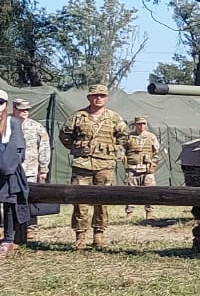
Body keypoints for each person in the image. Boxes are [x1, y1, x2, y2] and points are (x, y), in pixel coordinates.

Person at [59, 84, 129, 250]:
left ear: (106, 98)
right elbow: (64, 135)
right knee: (80, 200)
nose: (98, 98)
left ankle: (99, 233)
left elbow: (124, 136)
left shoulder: (114, 118)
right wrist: (78, 148)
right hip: (82, 164)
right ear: (89, 97)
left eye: (102, 96)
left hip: (105, 165)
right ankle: (80, 235)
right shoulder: (78, 117)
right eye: (95, 95)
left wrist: (115, 151)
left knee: (102, 201)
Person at [14, 98, 50, 248]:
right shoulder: (6, 125)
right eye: (21, 109)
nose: (25, 112)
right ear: (14, 109)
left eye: (27, 109)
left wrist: (44, 169)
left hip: (30, 170)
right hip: (9, 170)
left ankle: (31, 227)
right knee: (7, 199)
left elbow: (44, 147)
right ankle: (6, 226)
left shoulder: (36, 127)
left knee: (30, 199)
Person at [0, 93, 29, 258]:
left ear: (6, 104)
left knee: (10, 204)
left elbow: (18, 150)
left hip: (8, 171)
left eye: (1, 102)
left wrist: (6, 165)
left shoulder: (12, 123)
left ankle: (8, 239)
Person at [123, 116, 163, 222]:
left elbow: (156, 152)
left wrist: (153, 164)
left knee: (150, 191)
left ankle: (149, 213)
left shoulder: (151, 137)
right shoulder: (129, 137)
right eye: (139, 124)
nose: (142, 126)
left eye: (144, 124)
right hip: (132, 168)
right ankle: (129, 213)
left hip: (147, 169)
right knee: (130, 192)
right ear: (135, 125)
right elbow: (122, 151)